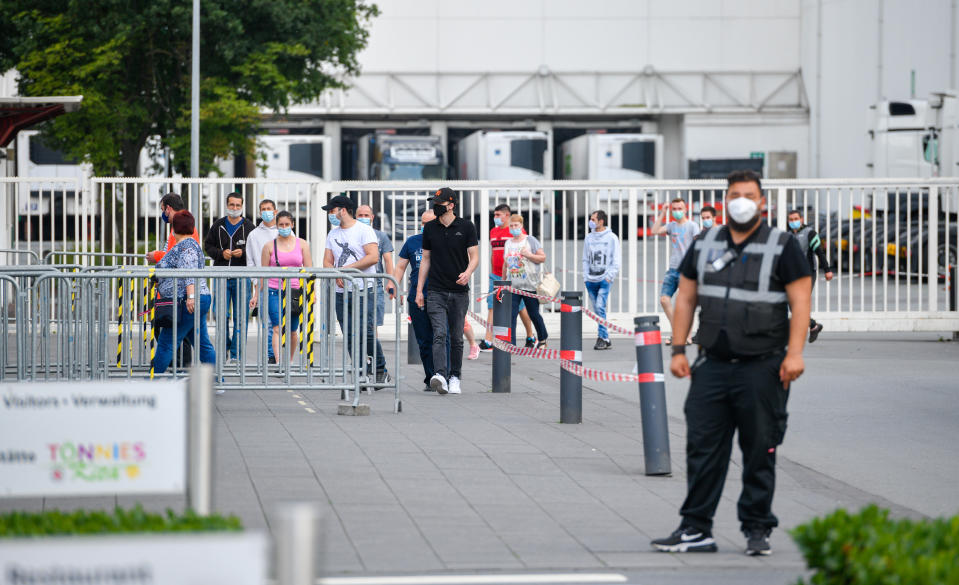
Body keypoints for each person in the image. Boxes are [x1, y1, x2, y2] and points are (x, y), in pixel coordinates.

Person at [651, 170, 811, 557]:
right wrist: (677, 350)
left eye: (748, 194)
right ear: (725, 200)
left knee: (760, 448)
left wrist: (794, 354)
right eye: (734, 194)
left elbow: (801, 302)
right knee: (703, 447)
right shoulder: (704, 242)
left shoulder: (783, 244)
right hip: (713, 365)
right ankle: (696, 528)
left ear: (761, 202)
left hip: (764, 366)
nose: (741, 200)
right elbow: (686, 297)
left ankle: (757, 528)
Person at [416, 187, 479, 395]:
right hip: (436, 290)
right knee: (439, 334)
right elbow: (425, 259)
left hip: (459, 291)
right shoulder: (430, 228)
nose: (435, 207)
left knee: (456, 337)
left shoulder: (467, 227)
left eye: (439, 203)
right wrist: (419, 290)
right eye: (434, 202)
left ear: (451, 205)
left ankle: (455, 377)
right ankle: (440, 376)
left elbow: (475, 256)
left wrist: (468, 272)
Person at [323, 195, 391, 384]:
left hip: (363, 289)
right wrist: (336, 274)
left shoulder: (364, 230)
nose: (331, 214)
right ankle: (360, 371)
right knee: (349, 333)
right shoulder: (333, 234)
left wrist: (344, 270)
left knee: (366, 332)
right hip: (341, 292)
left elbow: (372, 257)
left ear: (342, 210)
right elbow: (327, 261)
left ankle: (379, 368)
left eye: (332, 210)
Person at [151, 211, 216, 376]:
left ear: (174, 228)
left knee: (167, 341)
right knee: (201, 343)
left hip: (187, 301)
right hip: (195, 299)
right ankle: (216, 380)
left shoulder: (186, 248)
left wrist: (190, 298)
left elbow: (189, 273)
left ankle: (153, 381)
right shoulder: (191, 245)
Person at [253, 211, 313, 363]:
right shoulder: (269, 246)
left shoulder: (302, 244)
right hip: (273, 290)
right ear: (277, 226)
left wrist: (312, 292)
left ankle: (290, 362)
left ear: (292, 225)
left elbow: (309, 270)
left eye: (287, 224)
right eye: (281, 225)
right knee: (277, 328)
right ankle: (279, 362)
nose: (284, 227)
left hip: (295, 292)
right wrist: (255, 295)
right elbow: (263, 273)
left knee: (293, 331)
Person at [203, 192, 255, 363]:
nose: (234, 208)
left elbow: (255, 250)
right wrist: (220, 254)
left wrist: (244, 253)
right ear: (227, 205)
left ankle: (236, 355)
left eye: (237, 205)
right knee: (220, 314)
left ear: (242, 206)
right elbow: (208, 246)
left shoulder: (249, 227)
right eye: (231, 205)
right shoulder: (218, 225)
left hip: (242, 277)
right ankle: (225, 347)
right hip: (221, 276)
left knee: (241, 317)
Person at [481, 203, 535, 350]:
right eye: (494, 215)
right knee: (492, 305)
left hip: (514, 276)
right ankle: (488, 340)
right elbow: (494, 253)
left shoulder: (516, 231)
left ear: (507, 215)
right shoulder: (493, 232)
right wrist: (493, 272)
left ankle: (531, 336)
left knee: (520, 308)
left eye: (498, 215)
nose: (495, 218)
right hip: (496, 275)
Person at [652, 197, 701, 343]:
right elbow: (655, 230)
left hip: (687, 271)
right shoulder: (671, 226)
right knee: (664, 300)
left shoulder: (692, 226)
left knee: (684, 304)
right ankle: (678, 332)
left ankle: (683, 336)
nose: (677, 211)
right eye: (675, 209)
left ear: (685, 209)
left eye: (680, 208)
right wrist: (662, 212)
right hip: (673, 269)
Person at [786, 209, 834, 343]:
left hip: (807, 273)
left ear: (801, 219)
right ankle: (813, 326)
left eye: (796, 219)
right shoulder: (788, 235)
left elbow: (820, 252)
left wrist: (827, 270)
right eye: (791, 219)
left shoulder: (810, 233)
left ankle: (809, 327)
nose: (793, 222)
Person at [502, 214, 549, 348]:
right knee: (511, 314)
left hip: (530, 285)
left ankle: (543, 338)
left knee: (534, 314)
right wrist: (503, 282)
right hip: (513, 286)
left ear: (521, 226)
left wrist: (528, 254)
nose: (513, 228)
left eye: (516, 225)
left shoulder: (530, 240)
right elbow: (506, 264)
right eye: (511, 226)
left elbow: (542, 257)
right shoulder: (508, 243)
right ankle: (511, 343)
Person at [246, 198, 280, 363]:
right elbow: (251, 261)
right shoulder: (254, 235)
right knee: (269, 322)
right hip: (264, 283)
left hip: (284, 282)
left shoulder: (284, 230)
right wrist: (256, 285)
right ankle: (271, 355)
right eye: (263, 209)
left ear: (275, 211)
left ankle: (280, 354)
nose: (266, 211)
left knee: (282, 321)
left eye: (269, 208)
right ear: (260, 212)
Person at [582, 210, 621, 350]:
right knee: (598, 311)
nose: (591, 221)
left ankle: (602, 338)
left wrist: (609, 277)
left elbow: (616, 259)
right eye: (590, 219)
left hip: (604, 279)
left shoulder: (611, 238)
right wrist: (586, 277)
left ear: (601, 221)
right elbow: (585, 258)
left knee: (599, 307)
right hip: (590, 280)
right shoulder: (589, 238)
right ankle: (606, 338)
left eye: (593, 219)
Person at [356, 205, 395, 330]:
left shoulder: (381, 236)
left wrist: (391, 281)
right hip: (354, 283)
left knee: (372, 325)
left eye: (366, 215)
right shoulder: (351, 235)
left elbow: (388, 260)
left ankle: (372, 349)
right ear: (355, 217)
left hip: (375, 284)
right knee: (355, 323)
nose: (363, 218)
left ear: (372, 217)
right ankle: (358, 350)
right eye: (360, 215)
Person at [147, 193, 199, 264]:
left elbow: (176, 256)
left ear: (168, 208)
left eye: (163, 210)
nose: (163, 213)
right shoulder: (179, 225)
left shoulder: (182, 226)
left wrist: (156, 256)